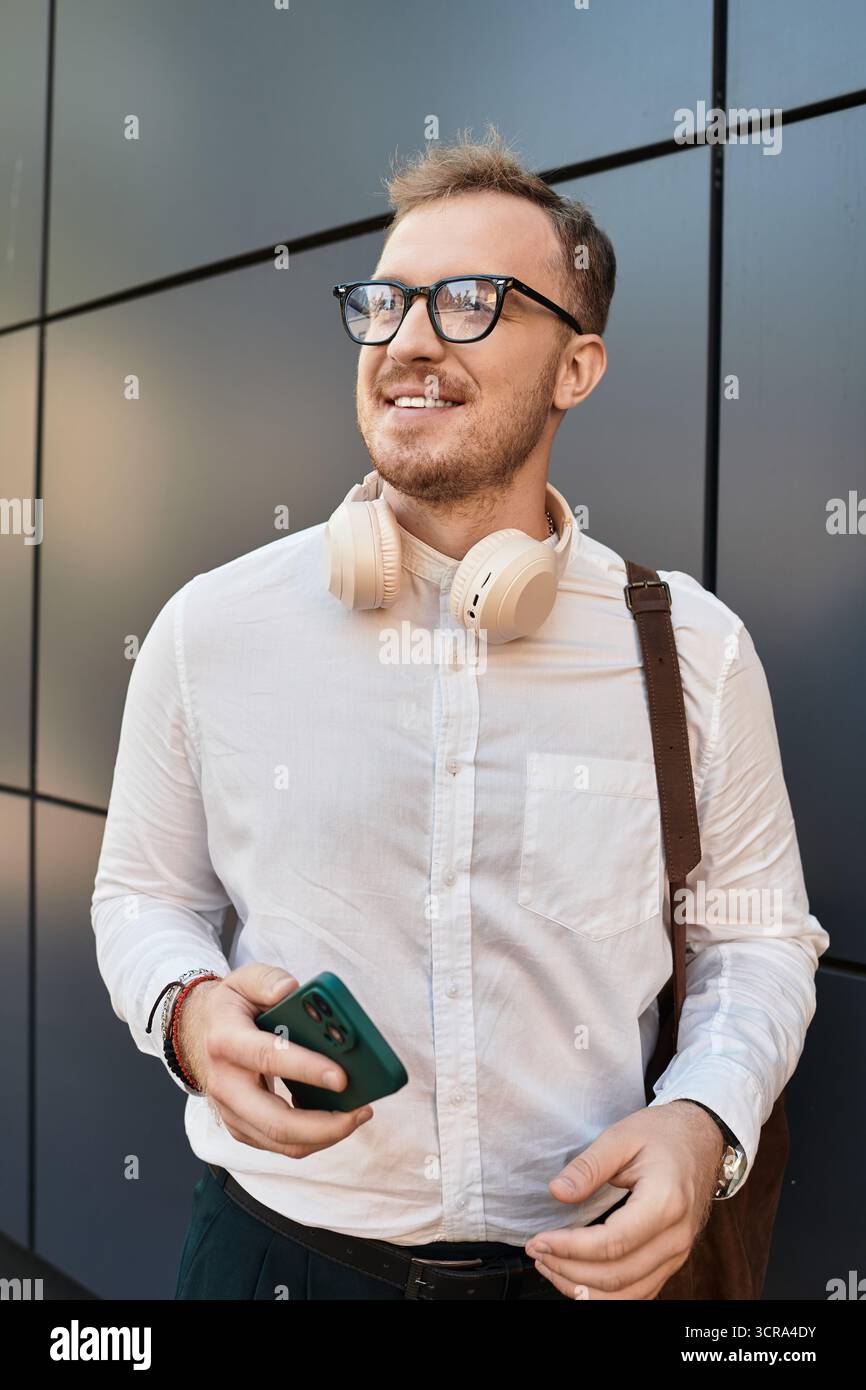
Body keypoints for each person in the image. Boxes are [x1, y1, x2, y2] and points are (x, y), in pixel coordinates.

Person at [91, 129, 829, 1301]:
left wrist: (705, 1118)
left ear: (575, 368)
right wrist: (183, 1011)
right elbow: (143, 895)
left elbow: (755, 937)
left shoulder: (691, 646)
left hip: (576, 1276)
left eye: (470, 302)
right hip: (270, 1258)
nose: (408, 341)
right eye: (382, 304)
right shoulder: (209, 626)